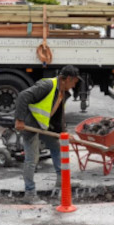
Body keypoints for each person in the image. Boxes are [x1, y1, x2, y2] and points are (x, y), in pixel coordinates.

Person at [15, 65, 82, 205]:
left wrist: (63, 133)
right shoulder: (47, 85)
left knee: (57, 148)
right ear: (68, 79)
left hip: (43, 126)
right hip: (30, 125)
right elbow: (23, 96)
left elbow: (58, 116)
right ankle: (29, 193)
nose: (74, 85)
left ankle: (61, 181)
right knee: (32, 159)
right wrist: (19, 120)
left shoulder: (62, 92)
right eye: (74, 82)